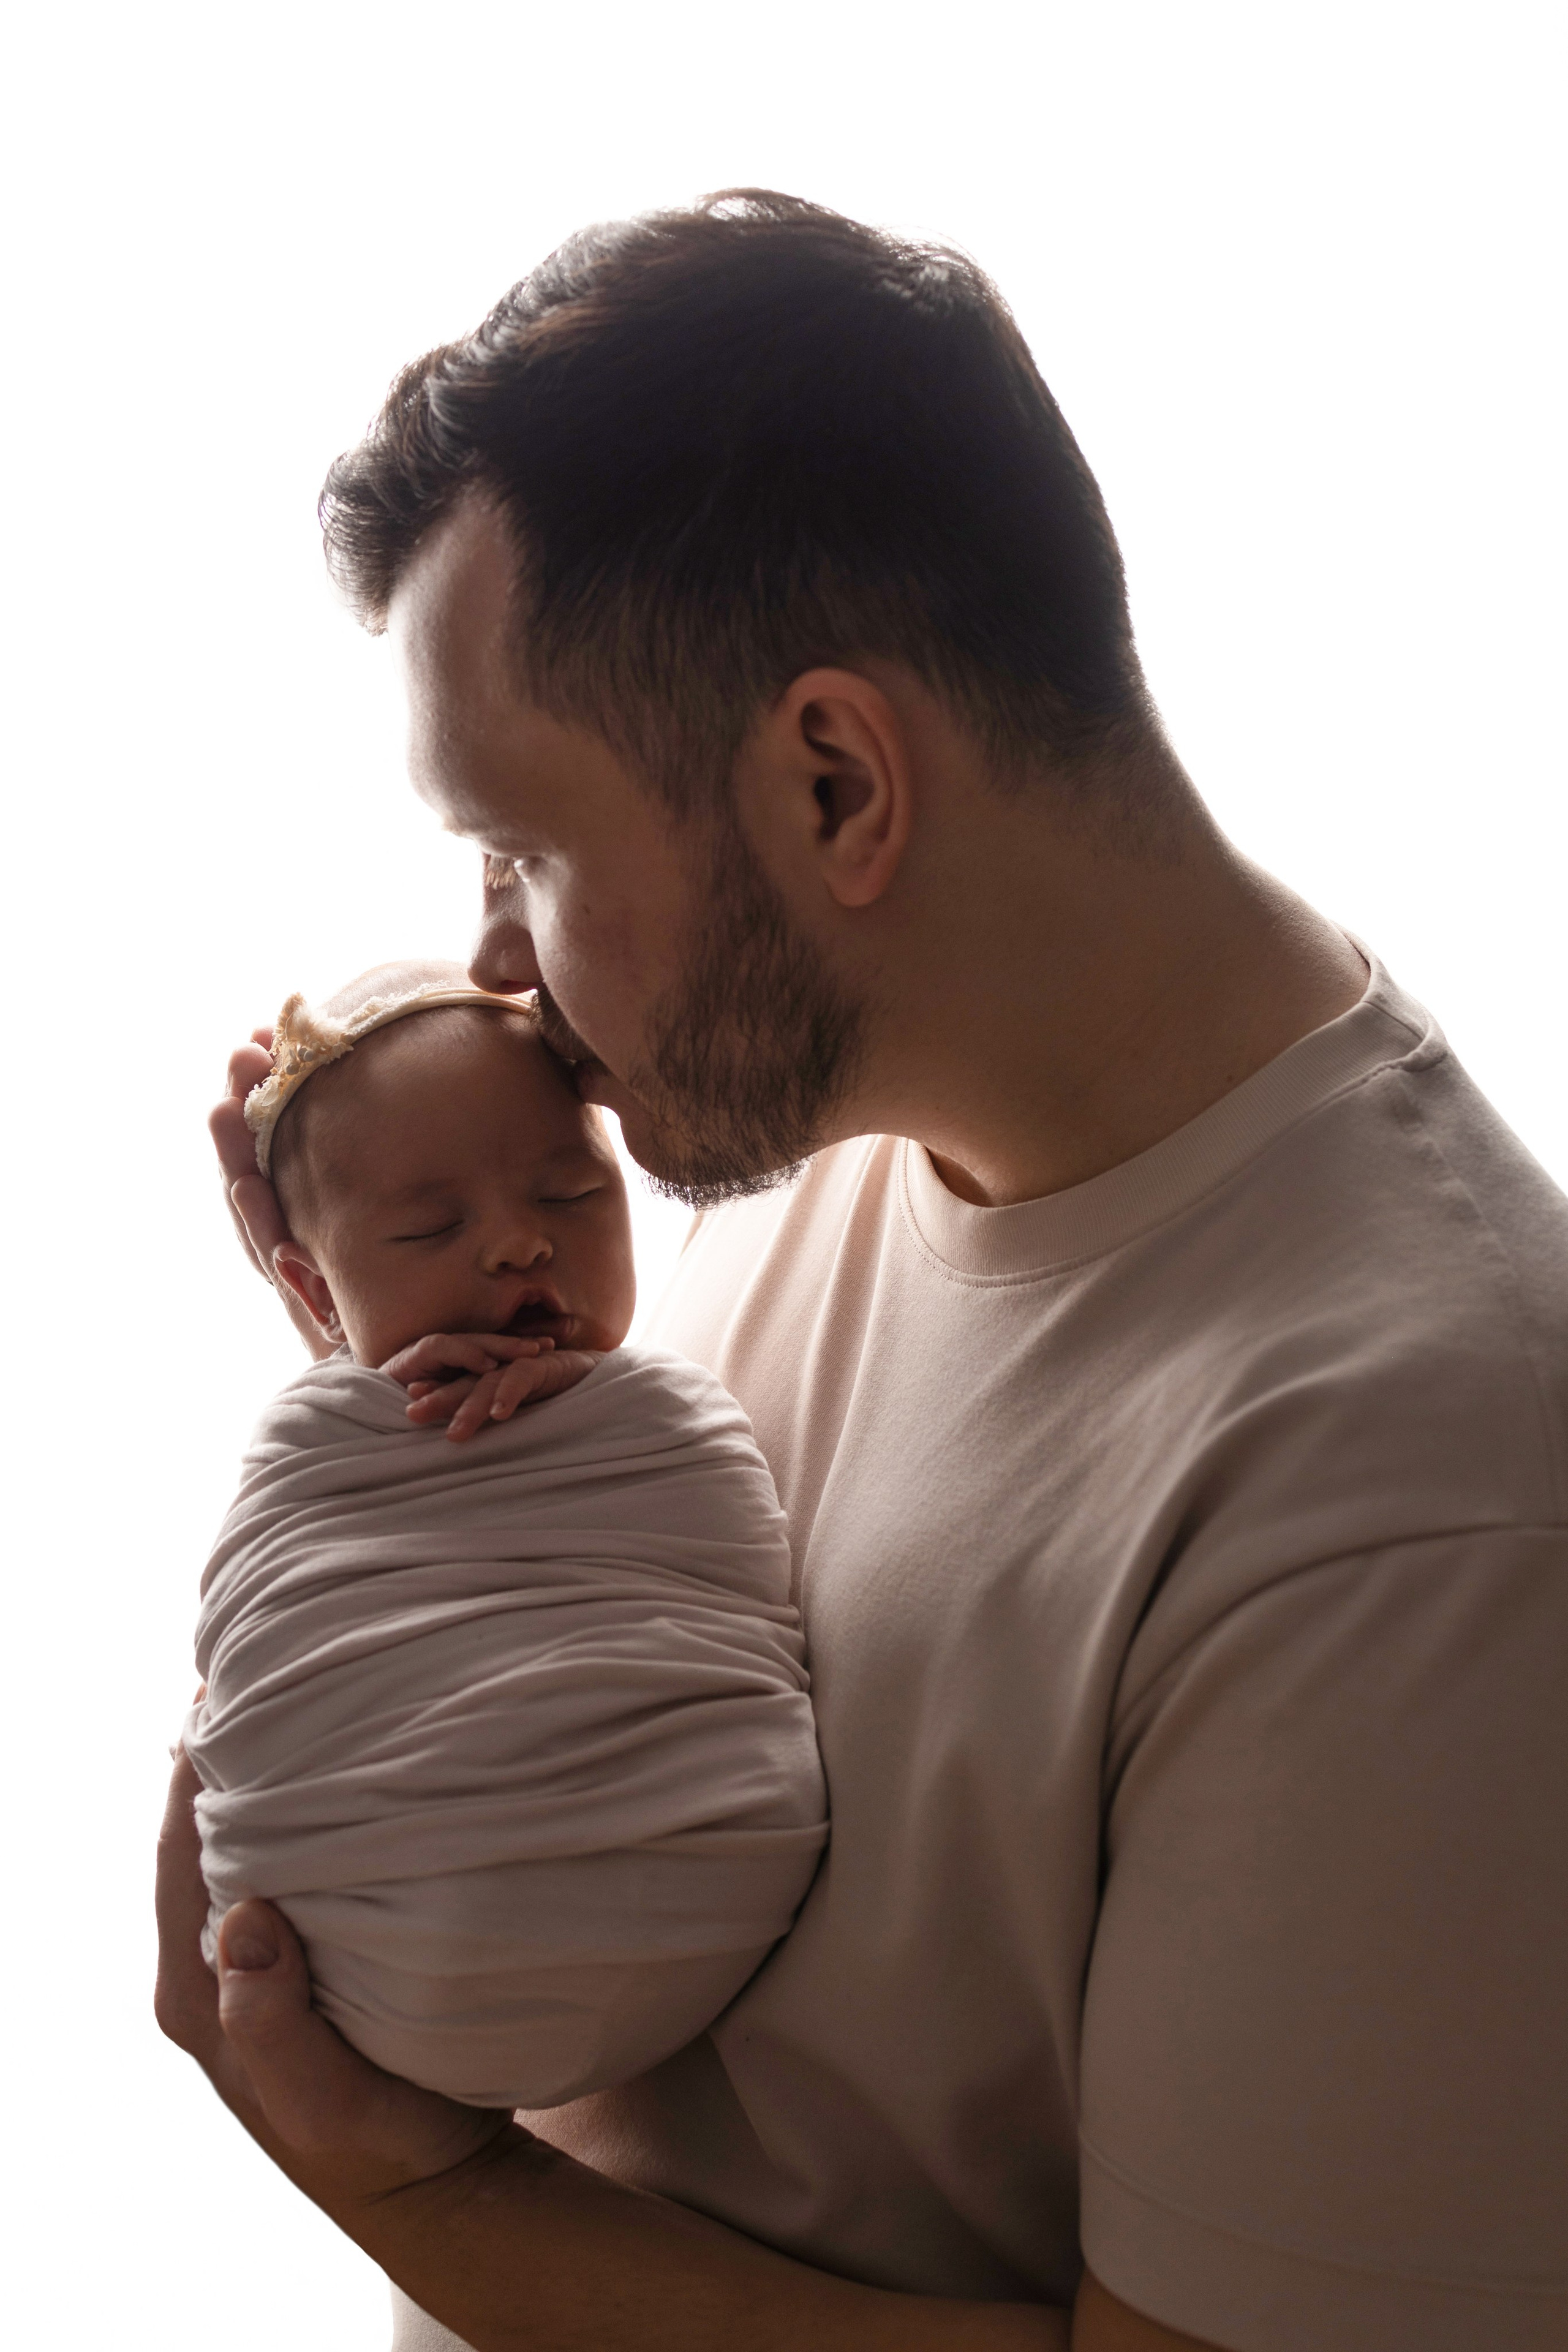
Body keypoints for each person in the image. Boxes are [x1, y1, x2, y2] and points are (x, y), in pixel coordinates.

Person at [159, 190, 1568, 2352]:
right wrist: (393, 1334)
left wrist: (411, 2185)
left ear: (835, 780)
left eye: (526, 850)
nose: (496, 966)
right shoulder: (841, 1127)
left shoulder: (1427, 1498)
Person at [186, 960, 826, 2113]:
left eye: (575, 1196)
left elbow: (709, 1546)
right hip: (378, 1938)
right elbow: (289, 1603)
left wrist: (587, 1394)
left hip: (689, 1870)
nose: (522, 1247)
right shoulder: (322, 1443)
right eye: (431, 1227)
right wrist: (366, 1400)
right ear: (311, 1289)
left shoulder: (662, 1417)